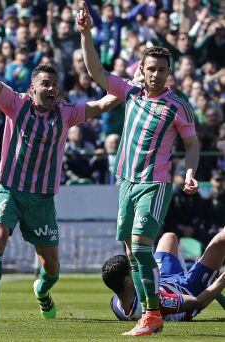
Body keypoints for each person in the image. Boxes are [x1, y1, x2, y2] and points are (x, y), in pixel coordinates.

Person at [0, 16, 121, 323]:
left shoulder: (66, 114)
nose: (51, 89)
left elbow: (101, 104)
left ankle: (42, 292)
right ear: (32, 88)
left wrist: (130, 88)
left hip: (42, 198)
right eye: (45, 84)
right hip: (8, 187)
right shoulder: (14, 104)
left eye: (55, 85)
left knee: (51, 267)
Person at [77, 2, 199, 336]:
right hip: (126, 183)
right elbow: (96, 72)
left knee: (142, 245)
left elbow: (192, 145)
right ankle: (151, 312)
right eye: (151, 68)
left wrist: (189, 172)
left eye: (162, 69)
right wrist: (86, 33)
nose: (156, 74)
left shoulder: (178, 106)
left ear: (168, 72)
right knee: (131, 251)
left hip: (155, 184)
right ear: (141, 70)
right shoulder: (130, 92)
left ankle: (152, 314)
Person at [102, 230, 225, 326]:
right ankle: (206, 279)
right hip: (187, 289)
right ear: (128, 280)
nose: (136, 269)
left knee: (169, 237)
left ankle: (204, 275)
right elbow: (199, 302)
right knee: (220, 240)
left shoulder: (115, 304)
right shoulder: (155, 301)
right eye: (132, 268)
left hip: (162, 281)